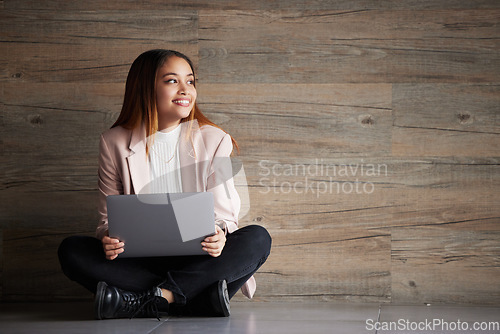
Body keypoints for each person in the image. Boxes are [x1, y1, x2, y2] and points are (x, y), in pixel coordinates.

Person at [58, 49, 272, 320]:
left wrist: (219, 234)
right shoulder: (113, 142)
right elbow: (105, 220)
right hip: (140, 262)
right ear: (146, 87)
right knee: (72, 250)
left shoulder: (215, 139)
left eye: (190, 81)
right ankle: (196, 300)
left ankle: (153, 299)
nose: (185, 90)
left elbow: (224, 215)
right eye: (172, 81)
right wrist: (108, 238)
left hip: (199, 259)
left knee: (257, 238)